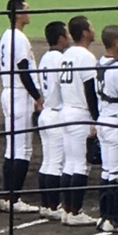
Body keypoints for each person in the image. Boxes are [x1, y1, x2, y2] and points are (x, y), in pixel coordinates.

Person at [0, 0, 42, 213]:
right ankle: (14, 199)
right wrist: (38, 96)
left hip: (8, 93)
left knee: (11, 148)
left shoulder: (6, 36)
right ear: (17, 14)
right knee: (22, 149)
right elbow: (23, 69)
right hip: (19, 94)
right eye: (26, 9)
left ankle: (7, 197)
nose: (29, 12)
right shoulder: (19, 38)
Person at [54, 15, 100, 226]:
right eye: (91, 27)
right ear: (84, 32)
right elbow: (90, 90)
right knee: (81, 164)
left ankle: (67, 210)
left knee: (69, 163)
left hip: (66, 112)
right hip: (81, 113)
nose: (93, 30)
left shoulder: (66, 54)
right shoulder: (86, 57)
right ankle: (75, 213)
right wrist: (97, 119)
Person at [92, 24, 118, 233]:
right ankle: (113, 220)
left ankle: (104, 217)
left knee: (107, 171)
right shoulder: (117, 68)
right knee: (116, 173)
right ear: (116, 42)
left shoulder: (99, 63)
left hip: (103, 121)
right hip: (116, 122)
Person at [33, 20, 71, 220]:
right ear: (61, 38)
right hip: (56, 114)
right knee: (56, 163)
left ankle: (46, 205)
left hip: (45, 113)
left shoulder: (46, 57)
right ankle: (54, 206)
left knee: (47, 162)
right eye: (67, 35)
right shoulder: (59, 59)